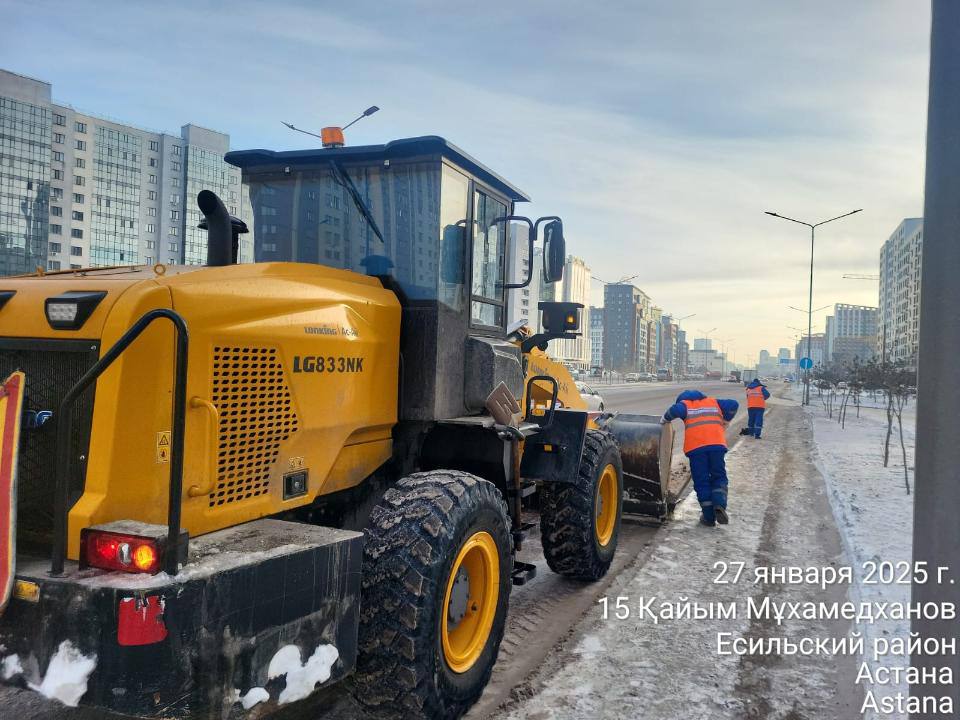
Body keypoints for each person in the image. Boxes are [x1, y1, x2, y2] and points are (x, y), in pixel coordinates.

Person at [660, 390, 739, 527]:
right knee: (718, 476)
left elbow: (675, 410)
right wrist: (726, 419)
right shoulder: (714, 402)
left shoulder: (685, 405)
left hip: (697, 449)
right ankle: (719, 504)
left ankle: (708, 517)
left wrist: (664, 419)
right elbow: (734, 404)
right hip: (716, 447)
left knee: (702, 481)